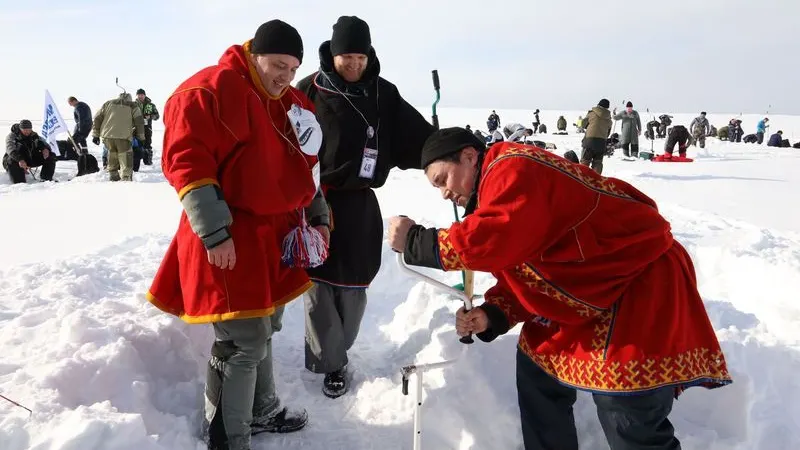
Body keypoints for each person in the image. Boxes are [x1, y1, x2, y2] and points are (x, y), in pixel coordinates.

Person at [387, 127, 732, 450]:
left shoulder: (512, 167)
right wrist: (493, 313)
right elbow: (524, 268)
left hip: (635, 280)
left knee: (624, 399)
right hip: (588, 287)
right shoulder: (493, 190)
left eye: (442, 180)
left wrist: (418, 242)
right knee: (537, 366)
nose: (445, 192)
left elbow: (497, 236)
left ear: (468, 156)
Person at [146, 20, 330, 450]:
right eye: (277, 64)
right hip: (228, 235)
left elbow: (309, 167)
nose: (284, 75)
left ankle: (262, 410)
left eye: (292, 67)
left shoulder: (293, 103)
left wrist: (318, 216)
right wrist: (215, 233)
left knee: (264, 326)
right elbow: (188, 164)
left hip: (274, 237)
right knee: (241, 341)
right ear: (253, 55)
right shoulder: (208, 90)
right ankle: (227, 438)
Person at [295, 15, 434, 399]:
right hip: (316, 198)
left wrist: (444, 148)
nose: (353, 64)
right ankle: (331, 364)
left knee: (354, 284)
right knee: (317, 283)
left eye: (359, 56)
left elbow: (415, 134)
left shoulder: (382, 93)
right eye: (346, 57)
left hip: (360, 203)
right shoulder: (308, 89)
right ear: (333, 54)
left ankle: (338, 348)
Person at [91, 92, 145, 181]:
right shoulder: (133, 106)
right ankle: (126, 179)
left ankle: (113, 177)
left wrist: (95, 135)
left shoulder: (108, 103)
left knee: (112, 155)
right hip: (123, 137)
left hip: (108, 136)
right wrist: (141, 137)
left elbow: (97, 118)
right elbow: (139, 122)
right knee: (125, 159)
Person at [579, 99, 612, 174]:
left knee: (585, 161)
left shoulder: (592, 114)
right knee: (598, 163)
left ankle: (582, 178)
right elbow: (608, 133)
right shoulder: (609, 119)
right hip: (601, 143)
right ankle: (596, 180)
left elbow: (583, 124)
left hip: (589, 141)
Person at [134, 88, 160, 165]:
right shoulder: (133, 105)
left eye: (142, 95)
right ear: (137, 96)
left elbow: (157, 116)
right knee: (136, 144)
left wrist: (151, 116)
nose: (140, 96)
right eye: (139, 95)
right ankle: (136, 163)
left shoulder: (151, 105)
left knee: (147, 144)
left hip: (147, 128)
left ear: (145, 95)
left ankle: (147, 160)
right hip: (136, 128)